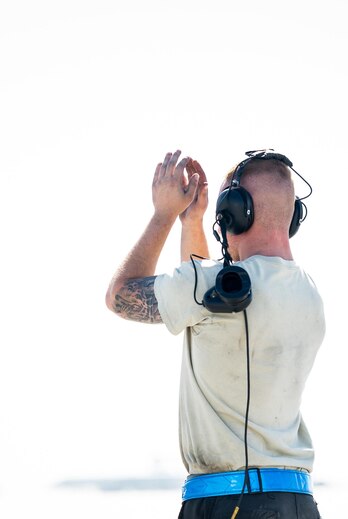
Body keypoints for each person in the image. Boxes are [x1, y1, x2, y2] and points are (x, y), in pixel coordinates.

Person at [105, 150, 325, 518]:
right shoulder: (309, 294)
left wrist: (165, 215)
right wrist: (192, 223)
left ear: (235, 213)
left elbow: (120, 295)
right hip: (296, 502)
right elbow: (204, 308)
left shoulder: (208, 285)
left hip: (228, 502)